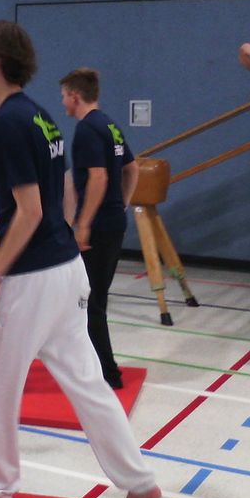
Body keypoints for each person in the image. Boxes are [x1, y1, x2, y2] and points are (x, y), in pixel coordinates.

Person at [0, 21, 161, 498]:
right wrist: (66, 235)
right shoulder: (41, 115)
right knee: (87, 382)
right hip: (65, 269)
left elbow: (30, 211)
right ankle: (139, 481)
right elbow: (62, 190)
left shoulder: (7, 121)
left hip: (32, 278)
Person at [60, 67, 139, 389]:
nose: (62, 102)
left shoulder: (87, 129)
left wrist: (83, 224)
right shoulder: (110, 125)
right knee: (91, 298)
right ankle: (89, 364)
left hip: (98, 226)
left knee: (90, 302)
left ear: (75, 96)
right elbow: (132, 168)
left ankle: (107, 372)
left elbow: (98, 177)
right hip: (113, 221)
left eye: (64, 96)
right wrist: (122, 203)